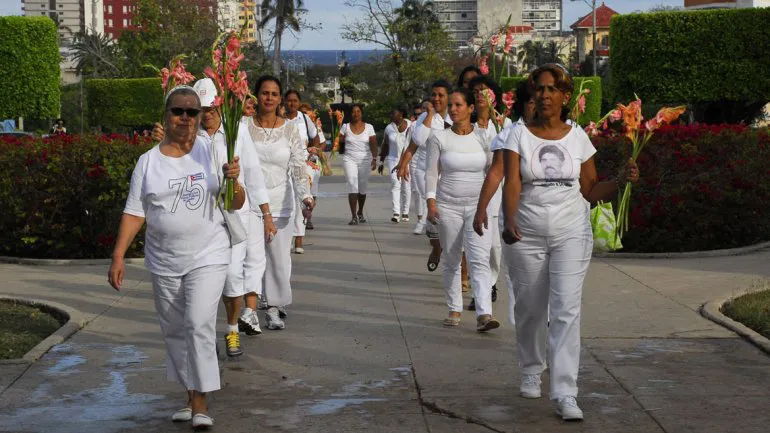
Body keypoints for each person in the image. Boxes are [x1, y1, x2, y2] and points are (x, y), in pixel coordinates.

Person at [497, 64, 639, 421]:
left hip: (571, 233)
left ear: (565, 96)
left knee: (565, 310)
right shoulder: (518, 135)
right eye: (539, 89)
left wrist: (620, 179)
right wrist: (509, 219)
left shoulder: (578, 138)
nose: (544, 95)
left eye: (551, 89)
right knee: (529, 308)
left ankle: (565, 392)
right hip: (526, 233)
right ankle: (531, 367)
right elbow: (512, 182)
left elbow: (590, 191)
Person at [108, 86, 246, 429]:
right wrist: (118, 255)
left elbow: (236, 203)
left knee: (198, 323)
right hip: (164, 260)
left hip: (209, 253)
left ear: (200, 117)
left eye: (192, 112)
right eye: (178, 111)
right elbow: (135, 212)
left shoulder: (212, 151)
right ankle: (189, 396)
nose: (185, 118)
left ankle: (201, 403)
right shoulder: (148, 162)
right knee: (174, 331)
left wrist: (236, 183)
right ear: (165, 116)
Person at [150, 78, 275, 356]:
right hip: (200, 220)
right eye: (200, 109)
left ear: (220, 105)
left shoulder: (237, 132)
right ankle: (203, 337)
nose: (205, 114)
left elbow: (253, 175)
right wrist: (163, 138)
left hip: (232, 217)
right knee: (200, 288)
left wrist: (265, 213)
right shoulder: (187, 134)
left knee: (232, 276)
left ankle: (231, 330)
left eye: (210, 108)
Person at [425, 88, 499, 332]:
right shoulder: (439, 138)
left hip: (478, 208)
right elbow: (432, 172)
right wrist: (431, 201)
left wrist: (487, 203)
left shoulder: (483, 138)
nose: (454, 109)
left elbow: (492, 171)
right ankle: (454, 307)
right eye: (452, 105)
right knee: (452, 258)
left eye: (459, 105)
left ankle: (484, 313)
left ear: (470, 108)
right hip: (448, 207)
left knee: (479, 259)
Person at [248, 75, 314, 330]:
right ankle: (250, 309)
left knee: (278, 259)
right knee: (252, 258)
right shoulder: (243, 127)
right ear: (256, 96)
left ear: (279, 99)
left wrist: (305, 195)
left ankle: (273, 307)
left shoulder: (290, 129)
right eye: (265, 93)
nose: (269, 98)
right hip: (250, 204)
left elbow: (298, 166)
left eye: (274, 94)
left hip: (281, 203)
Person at [473, 80, 536, 324]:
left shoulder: (568, 131)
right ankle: (521, 321)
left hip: (557, 223)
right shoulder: (510, 132)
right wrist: (481, 209)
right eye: (532, 102)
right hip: (514, 211)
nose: (539, 106)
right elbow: (497, 173)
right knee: (518, 273)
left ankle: (547, 321)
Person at [465, 74, 513, 312]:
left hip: (498, 195)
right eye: (475, 92)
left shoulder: (504, 124)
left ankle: (491, 282)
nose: (480, 95)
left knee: (494, 247)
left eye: (484, 91)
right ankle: (479, 291)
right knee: (477, 248)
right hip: (473, 192)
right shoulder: (467, 127)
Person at [395, 80, 453, 272]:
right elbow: (417, 141)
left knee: (450, 216)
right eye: (433, 95)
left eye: (441, 95)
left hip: (452, 172)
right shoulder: (425, 117)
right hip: (426, 172)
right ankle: (437, 249)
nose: (436, 98)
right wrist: (403, 163)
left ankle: (455, 256)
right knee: (434, 213)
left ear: (449, 98)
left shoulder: (457, 114)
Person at [284, 90, 321, 254]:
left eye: (295, 101)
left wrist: (314, 150)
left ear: (299, 102)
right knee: (288, 200)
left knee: (301, 200)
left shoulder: (305, 119)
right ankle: (286, 238)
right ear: (284, 102)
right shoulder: (279, 119)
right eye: (289, 100)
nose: (292, 104)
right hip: (284, 165)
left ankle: (298, 239)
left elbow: (316, 137)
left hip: (302, 164)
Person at [336, 103, 377, 225]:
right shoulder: (345, 127)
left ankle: (360, 212)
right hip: (350, 159)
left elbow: (374, 144)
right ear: (350, 114)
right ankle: (353, 216)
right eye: (353, 112)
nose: (356, 114)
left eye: (358, 111)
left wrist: (374, 159)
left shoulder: (369, 127)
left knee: (362, 188)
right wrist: (340, 141)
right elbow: (339, 143)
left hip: (365, 160)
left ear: (361, 113)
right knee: (352, 186)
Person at [378, 105, 412, 223]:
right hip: (393, 159)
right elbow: (385, 145)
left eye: (394, 113)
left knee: (406, 186)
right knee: (395, 184)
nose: (392, 115)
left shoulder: (410, 126)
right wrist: (381, 161)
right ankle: (396, 212)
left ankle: (405, 212)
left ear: (401, 114)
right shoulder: (389, 128)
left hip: (407, 159)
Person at [300, 103, 325, 230]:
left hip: (314, 163)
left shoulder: (315, 125)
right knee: (303, 189)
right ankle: (300, 217)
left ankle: (308, 217)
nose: (305, 114)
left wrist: (314, 149)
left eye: (307, 112)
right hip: (301, 162)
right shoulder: (296, 122)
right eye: (302, 112)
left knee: (312, 191)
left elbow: (322, 143)